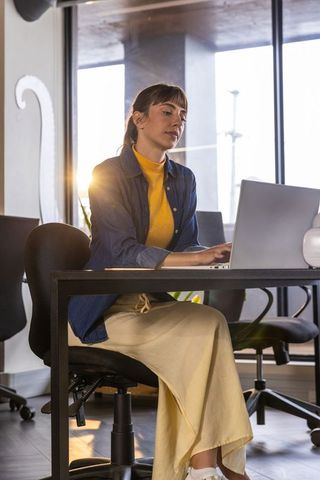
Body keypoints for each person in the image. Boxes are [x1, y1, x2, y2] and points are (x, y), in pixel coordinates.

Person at [68, 83, 253, 480]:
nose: (177, 122)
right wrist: (197, 256)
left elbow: (187, 245)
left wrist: (218, 254)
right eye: (167, 111)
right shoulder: (108, 173)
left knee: (211, 323)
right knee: (197, 337)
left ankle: (203, 468)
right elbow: (120, 250)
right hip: (102, 311)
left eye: (182, 116)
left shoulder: (183, 178)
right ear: (139, 118)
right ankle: (213, 468)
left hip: (150, 305)